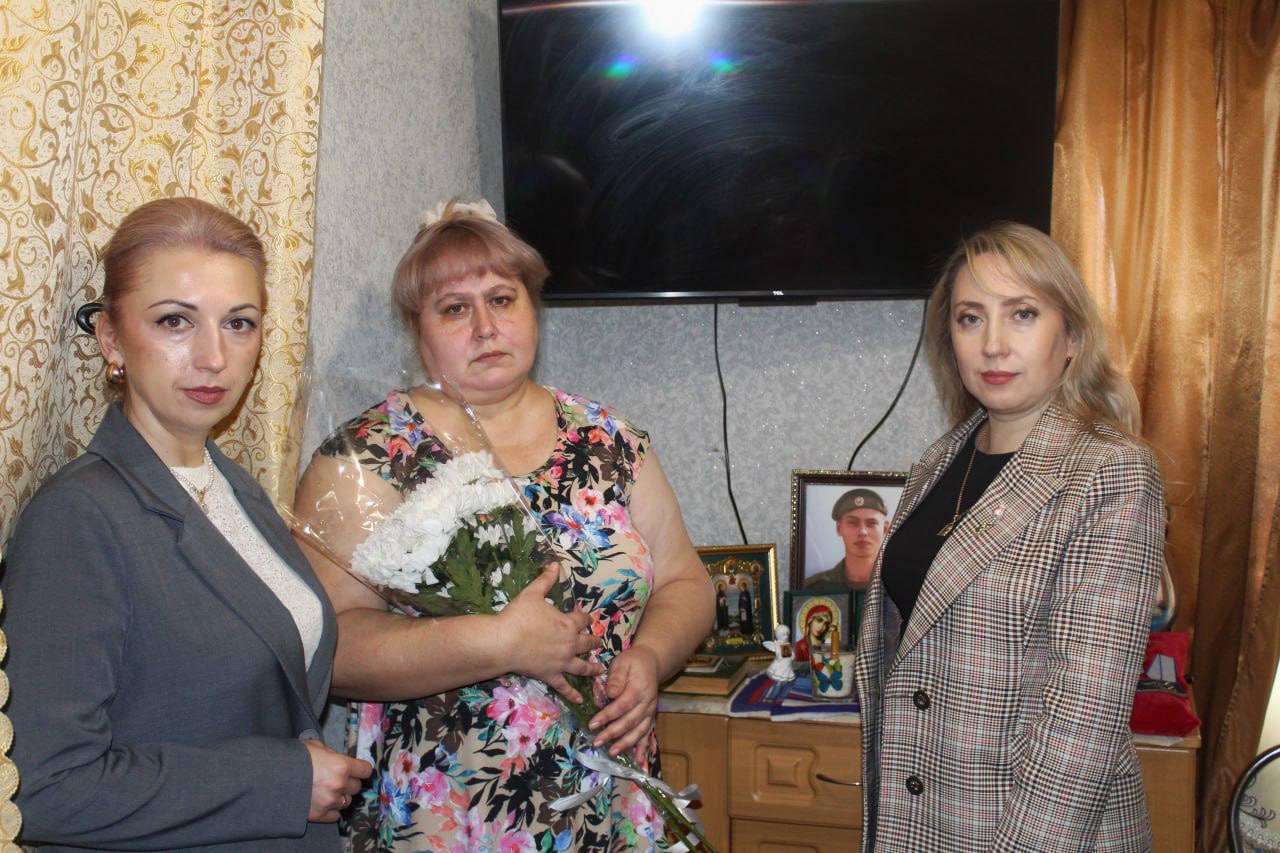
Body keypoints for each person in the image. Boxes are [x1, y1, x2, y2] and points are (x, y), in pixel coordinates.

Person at [293, 199, 714, 851]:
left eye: (501, 299)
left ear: (532, 308)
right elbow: (331, 649)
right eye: (454, 308)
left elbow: (686, 581)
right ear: (417, 328)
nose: (486, 327)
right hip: (449, 815)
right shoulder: (367, 456)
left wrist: (650, 658)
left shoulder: (609, 440)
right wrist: (497, 642)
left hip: (612, 806)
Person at [3, 197, 371, 851]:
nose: (213, 357)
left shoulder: (238, 490)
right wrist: (283, 780)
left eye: (239, 323)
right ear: (111, 338)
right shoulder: (79, 517)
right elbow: (48, 789)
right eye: (175, 321)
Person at [854, 222, 1164, 850]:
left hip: (1033, 832)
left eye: (1022, 314)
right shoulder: (937, 463)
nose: (993, 344)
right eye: (970, 319)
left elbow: (1084, 720)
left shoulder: (1111, 471)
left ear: (1070, 336)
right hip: (924, 823)